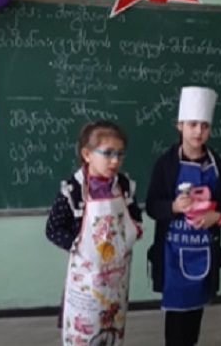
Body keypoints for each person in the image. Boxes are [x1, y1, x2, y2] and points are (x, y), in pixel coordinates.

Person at [146, 86, 221, 346]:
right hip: (172, 256)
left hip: (203, 255)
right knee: (176, 322)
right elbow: (152, 206)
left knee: (194, 318)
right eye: (192, 125)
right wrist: (174, 207)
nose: (198, 131)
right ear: (180, 126)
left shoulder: (217, 165)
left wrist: (216, 216)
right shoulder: (165, 165)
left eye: (204, 126)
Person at [46, 120, 142, 346]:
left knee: (112, 331)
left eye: (119, 154)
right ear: (87, 154)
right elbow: (53, 229)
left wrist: (133, 233)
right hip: (86, 280)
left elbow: (135, 217)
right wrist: (82, 246)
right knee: (85, 334)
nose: (115, 160)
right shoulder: (73, 190)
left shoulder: (124, 187)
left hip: (117, 277)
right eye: (108, 153)